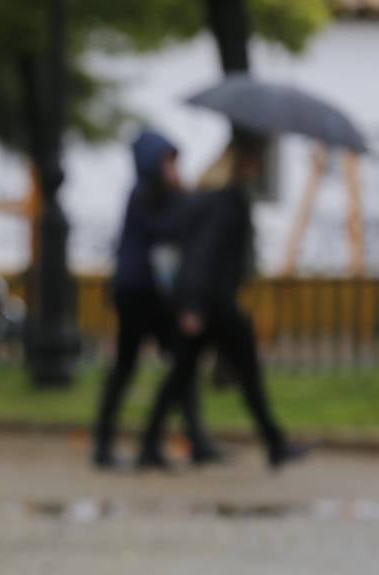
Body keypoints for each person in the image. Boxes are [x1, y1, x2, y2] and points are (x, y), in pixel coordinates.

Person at [138, 132, 308, 470]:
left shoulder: (204, 197)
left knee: (182, 375)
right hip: (213, 304)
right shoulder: (227, 202)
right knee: (245, 373)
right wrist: (194, 306)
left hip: (204, 301)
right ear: (240, 163)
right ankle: (274, 443)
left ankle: (149, 445)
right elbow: (204, 254)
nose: (259, 167)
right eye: (254, 160)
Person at [92, 129, 219, 469]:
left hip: (154, 295)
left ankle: (184, 439)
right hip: (138, 294)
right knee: (130, 366)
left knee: (182, 362)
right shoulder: (145, 195)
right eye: (169, 162)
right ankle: (106, 445)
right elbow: (168, 228)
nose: (175, 169)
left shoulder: (158, 194)